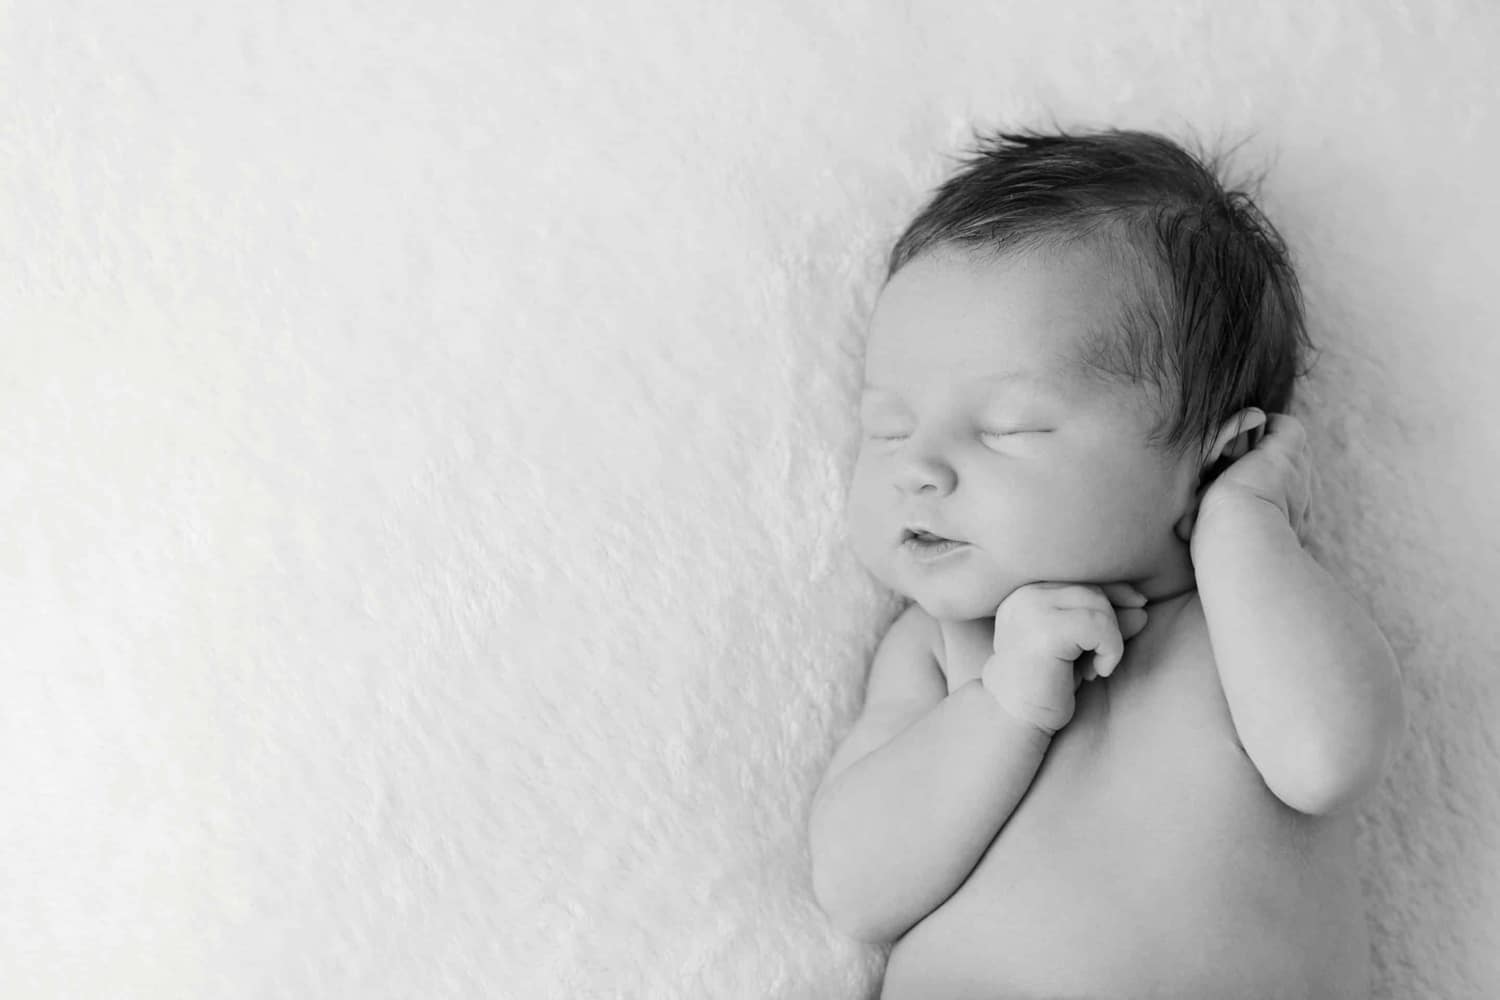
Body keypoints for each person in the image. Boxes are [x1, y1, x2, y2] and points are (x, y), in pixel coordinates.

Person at [807, 127, 1405, 999]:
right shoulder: (940, 648)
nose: (917, 468)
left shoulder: (1243, 624)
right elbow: (857, 889)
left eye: (1008, 427)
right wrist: (1004, 705)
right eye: (887, 428)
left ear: (1213, 462)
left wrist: (1242, 526)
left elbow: (1329, 760)